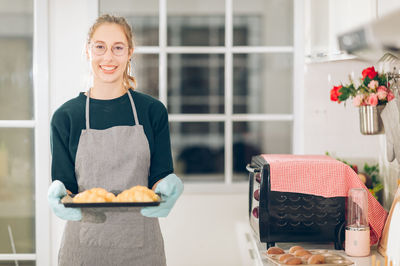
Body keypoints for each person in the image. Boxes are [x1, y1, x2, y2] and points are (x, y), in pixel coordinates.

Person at [47, 14, 183, 266]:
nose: (108, 57)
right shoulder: (66, 117)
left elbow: (159, 179)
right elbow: (66, 187)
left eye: (117, 48)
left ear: (130, 52)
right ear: (87, 51)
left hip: (143, 251)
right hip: (83, 252)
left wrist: (168, 185)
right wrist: (59, 193)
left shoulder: (152, 111)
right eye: (100, 47)